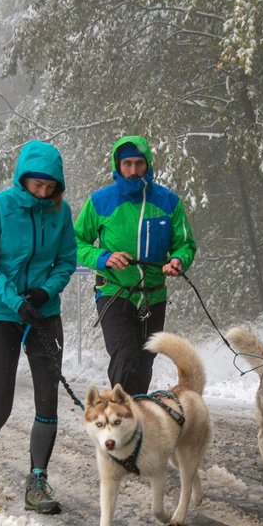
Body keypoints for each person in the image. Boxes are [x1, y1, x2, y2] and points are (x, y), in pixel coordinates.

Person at [0, 139, 77, 515]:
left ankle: (36, 482)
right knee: (0, 407)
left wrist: (46, 293)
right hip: (2, 317)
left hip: (45, 315)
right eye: (37, 186)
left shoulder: (60, 213)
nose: (44, 193)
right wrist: (16, 301)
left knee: (47, 401)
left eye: (51, 187)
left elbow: (66, 261)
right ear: (23, 179)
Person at [74, 135, 197, 396]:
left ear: (148, 164)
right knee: (125, 355)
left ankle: (137, 423)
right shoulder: (100, 201)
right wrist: (103, 257)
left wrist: (177, 260)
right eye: (126, 163)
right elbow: (75, 241)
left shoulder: (169, 202)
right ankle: (120, 421)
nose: (132, 171)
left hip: (153, 297)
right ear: (117, 165)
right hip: (113, 292)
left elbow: (185, 244)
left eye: (139, 163)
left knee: (143, 364)